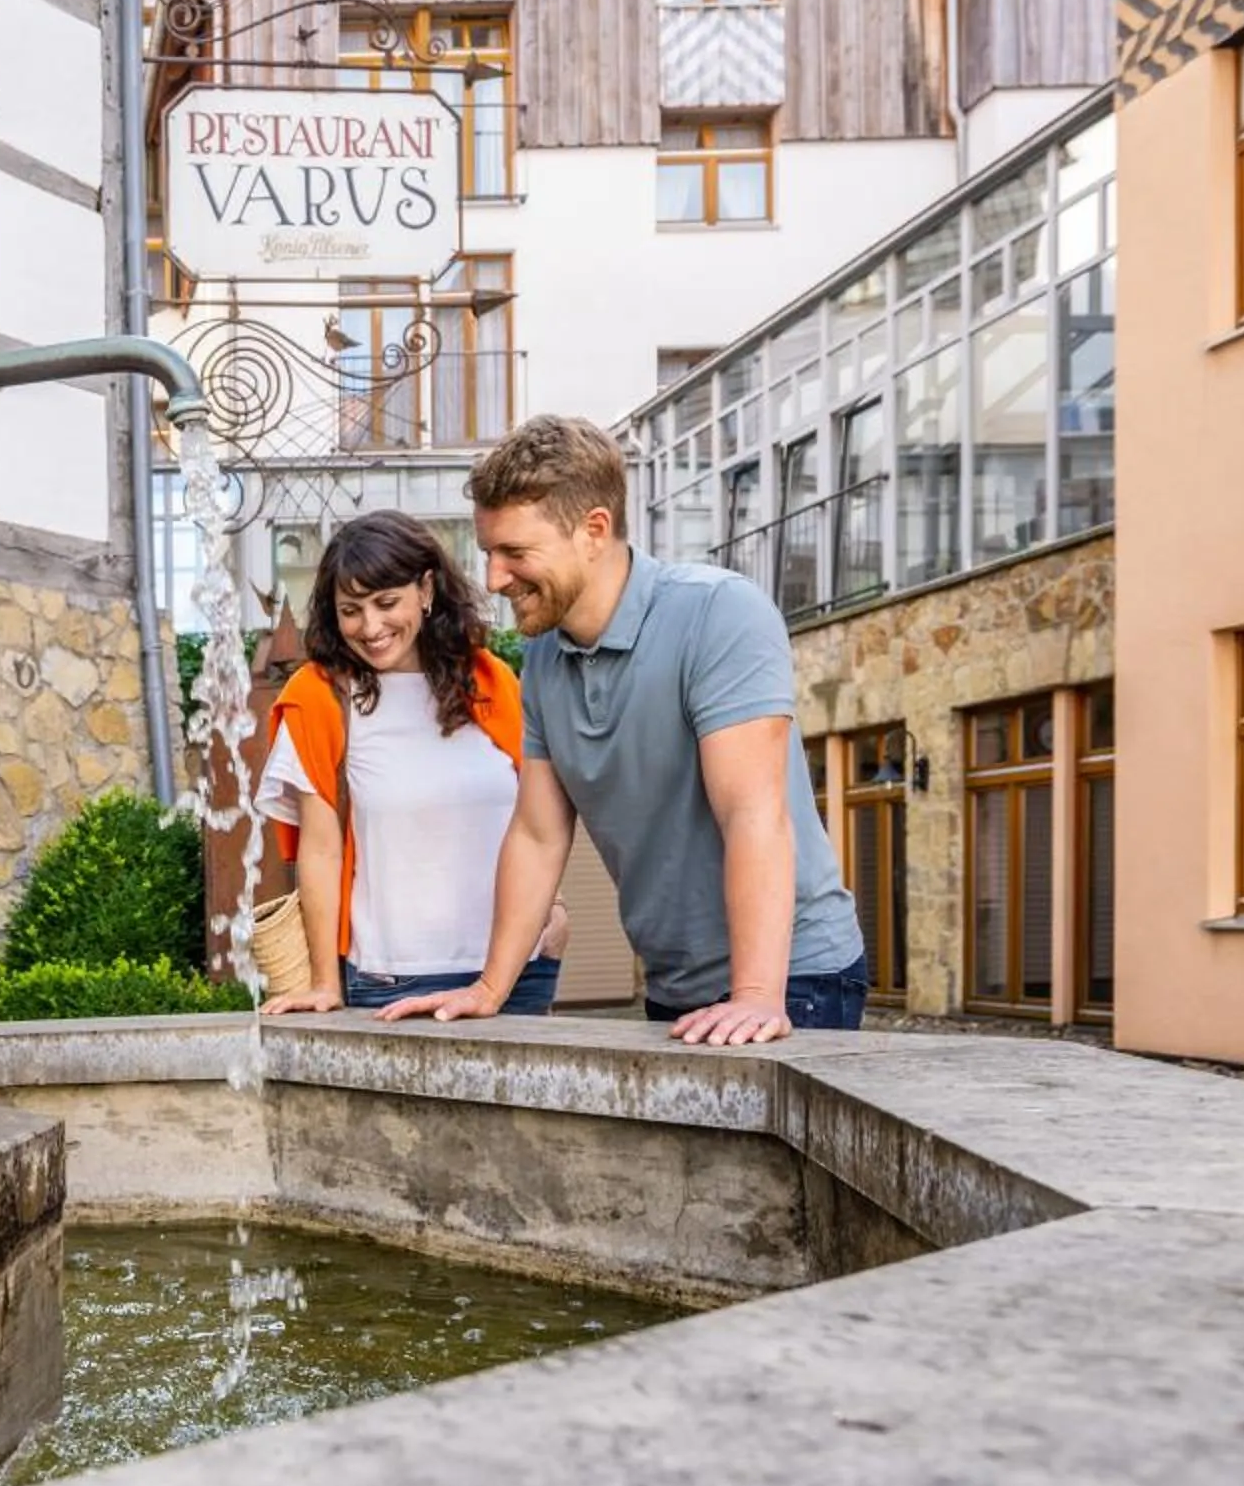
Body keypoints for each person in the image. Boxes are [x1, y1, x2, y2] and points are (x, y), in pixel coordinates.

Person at [382, 416, 867, 1045]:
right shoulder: (546, 659)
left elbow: (754, 815)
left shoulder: (719, 614)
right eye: (489, 553)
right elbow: (537, 835)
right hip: (676, 986)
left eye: (515, 553)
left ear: (594, 530)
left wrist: (755, 995)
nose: (495, 578)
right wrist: (490, 988)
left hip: (792, 980)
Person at [255, 512, 562, 1017]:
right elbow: (320, 851)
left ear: (425, 589)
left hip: (518, 972)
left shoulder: (492, 681)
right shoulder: (319, 697)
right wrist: (324, 983)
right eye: (351, 610)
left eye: (386, 602)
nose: (370, 627)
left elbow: (535, 821)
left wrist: (557, 908)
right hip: (391, 978)